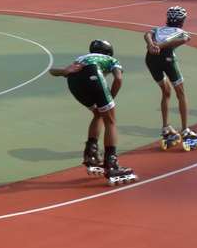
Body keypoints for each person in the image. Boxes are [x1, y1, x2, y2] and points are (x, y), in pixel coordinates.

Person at [49, 40, 136, 185]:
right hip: (93, 74)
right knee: (111, 121)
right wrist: (111, 99)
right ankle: (111, 164)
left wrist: (65, 72)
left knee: (98, 114)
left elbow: (52, 71)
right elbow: (118, 78)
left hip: (74, 82)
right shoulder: (111, 59)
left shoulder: (81, 58)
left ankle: (91, 154)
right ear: (108, 52)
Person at [144, 6, 197, 150]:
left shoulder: (158, 29)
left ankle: (165, 128)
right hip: (167, 59)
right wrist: (159, 45)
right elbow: (184, 39)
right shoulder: (182, 32)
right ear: (182, 20)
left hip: (150, 59)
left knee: (165, 92)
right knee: (181, 94)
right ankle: (185, 130)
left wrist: (151, 45)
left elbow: (147, 34)